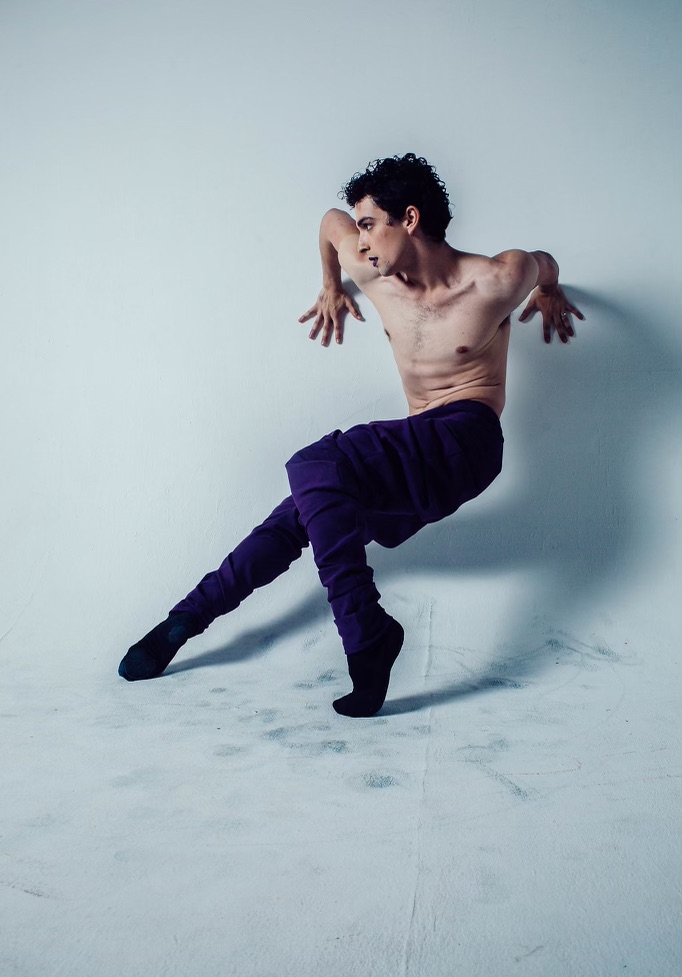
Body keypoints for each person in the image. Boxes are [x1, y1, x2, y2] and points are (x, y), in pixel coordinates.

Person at [118, 153, 584, 717]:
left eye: (369, 225)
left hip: (467, 440)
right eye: (359, 229)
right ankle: (183, 622)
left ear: (408, 219)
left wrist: (548, 291)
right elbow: (328, 223)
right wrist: (329, 285)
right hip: (414, 444)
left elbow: (544, 264)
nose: (360, 242)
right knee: (298, 515)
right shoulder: (369, 269)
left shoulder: (493, 280)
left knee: (314, 464)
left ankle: (365, 633)